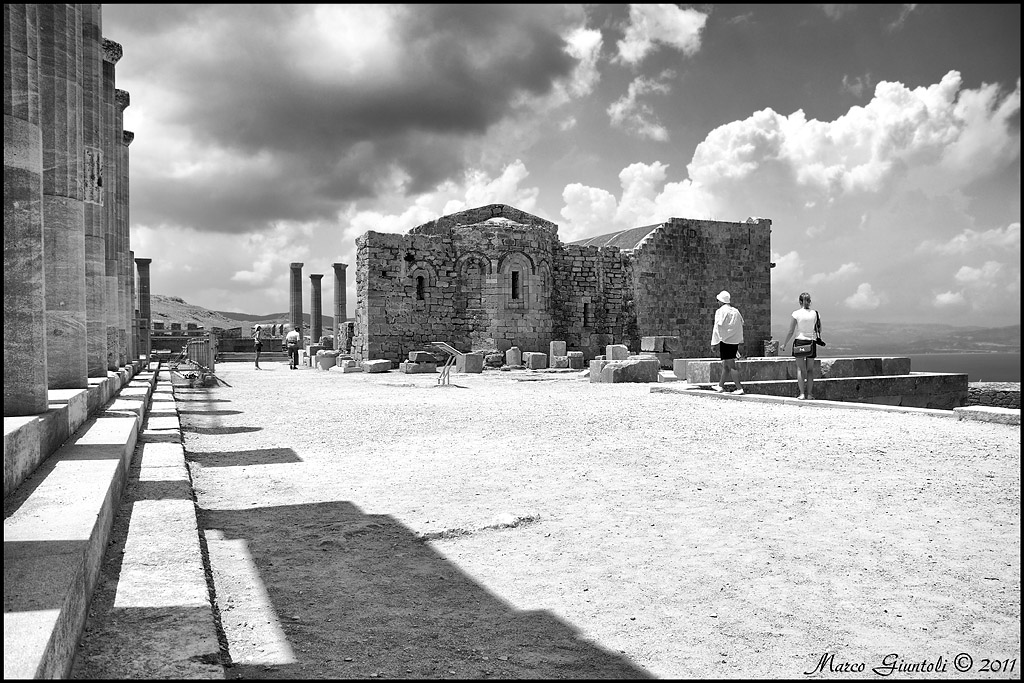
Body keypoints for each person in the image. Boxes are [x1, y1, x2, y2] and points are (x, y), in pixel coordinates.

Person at [781, 292, 821, 400]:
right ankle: (810, 394)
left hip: (799, 342)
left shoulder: (796, 314)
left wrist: (784, 344)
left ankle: (802, 393)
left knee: (800, 369)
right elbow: (819, 329)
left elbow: (790, 331)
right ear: (810, 301)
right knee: (810, 370)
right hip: (811, 343)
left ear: (799, 302)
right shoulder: (815, 314)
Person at [710, 290, 745, 395]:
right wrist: (740, 341)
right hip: (734, 341)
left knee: (731, 365)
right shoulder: (736, 311)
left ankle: (739, 388)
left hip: (725, 341)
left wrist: (714, 342)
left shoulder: (720, 311)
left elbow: (717, 327)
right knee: (726, 365)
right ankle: (720, 386)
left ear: (720, 301)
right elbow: (741, 324)